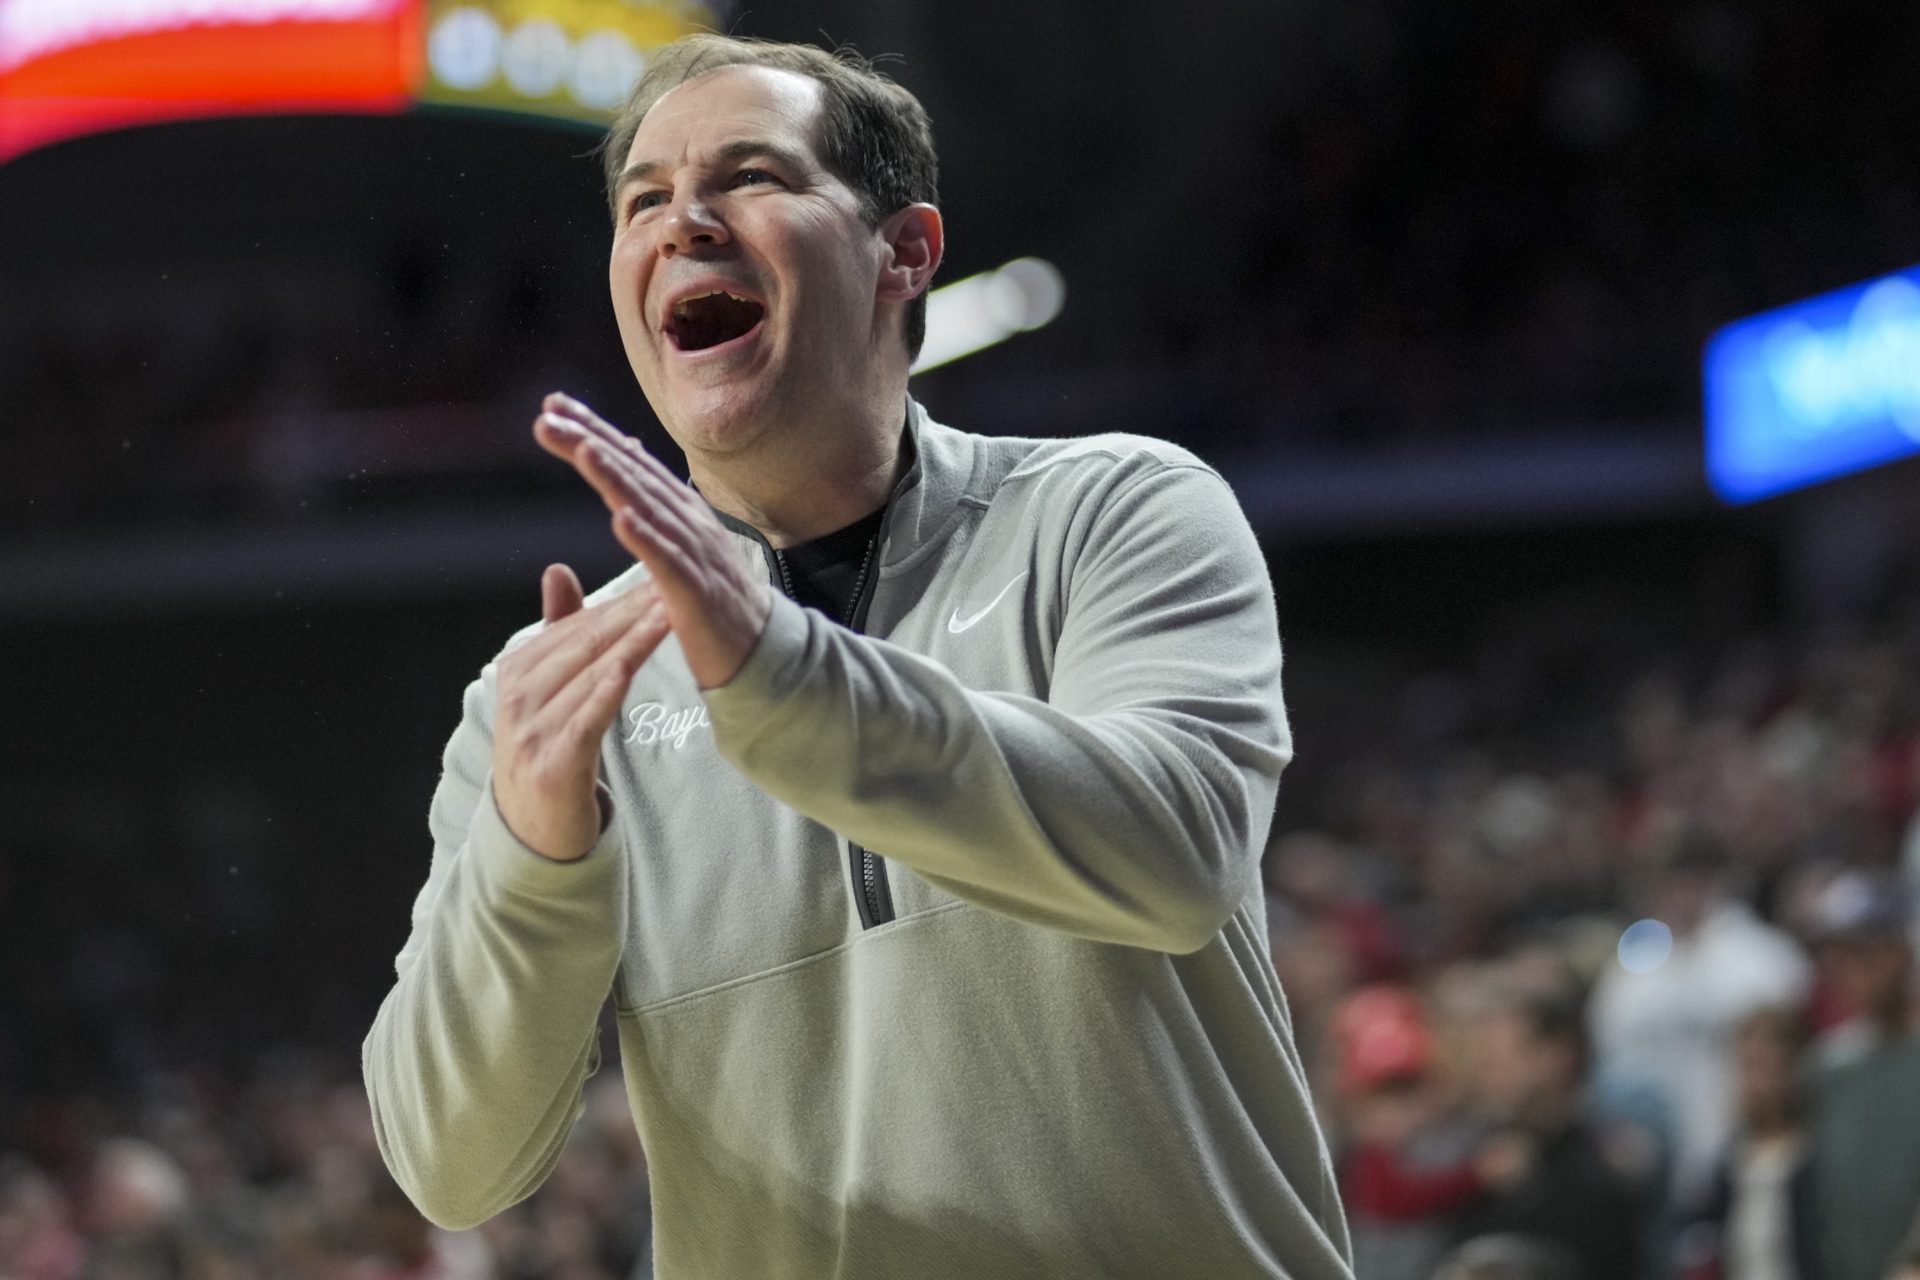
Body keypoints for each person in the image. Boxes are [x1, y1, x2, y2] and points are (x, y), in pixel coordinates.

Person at [360, 33, 1354, 1280]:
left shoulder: (1117, 512)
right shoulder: (549, 696)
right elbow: (450, 1164)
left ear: (907, 251)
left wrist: (782, 674)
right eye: (645, 200)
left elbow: (1178, 850)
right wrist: (535, 857)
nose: (688, 222)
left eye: (753, 177)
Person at [1452, 984, 1646, 1280]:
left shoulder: (1599, 1180)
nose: (1485, 1073)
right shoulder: (1471, 1168)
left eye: (1500, 1058)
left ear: (1555, 1055)